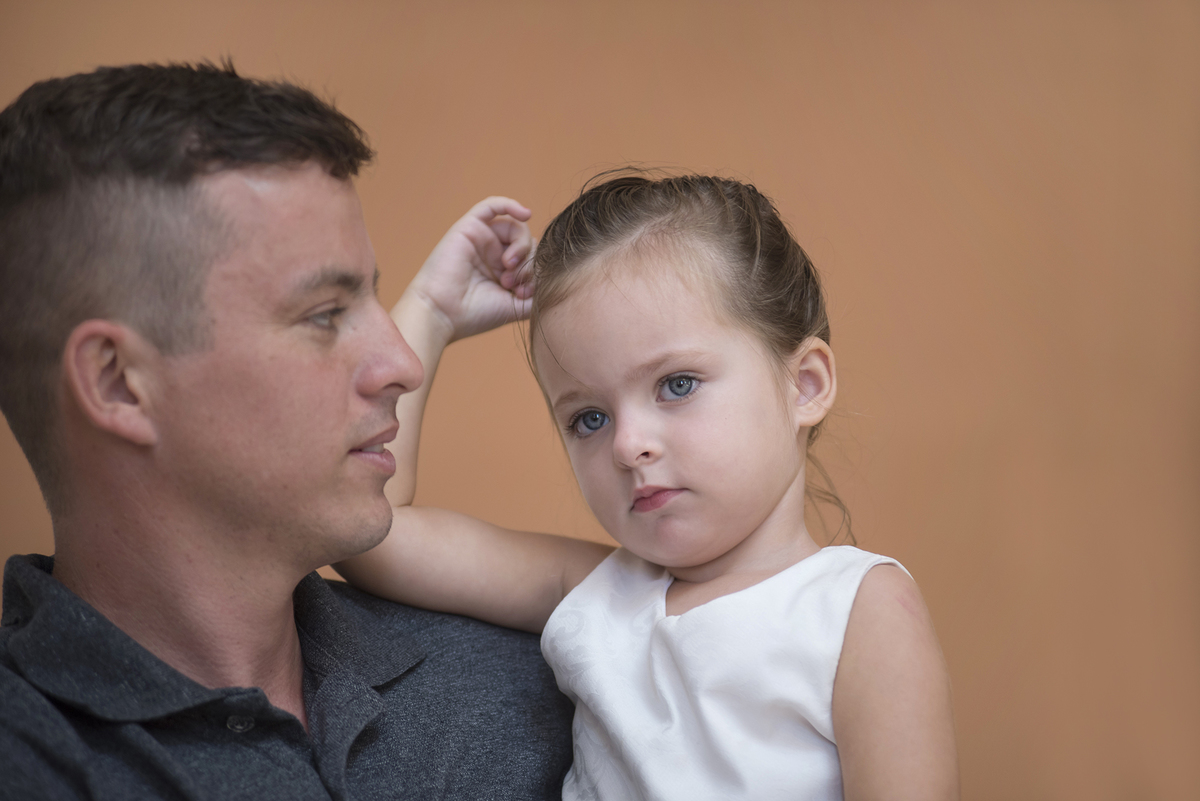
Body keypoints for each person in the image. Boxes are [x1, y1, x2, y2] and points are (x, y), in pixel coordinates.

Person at [0, 62, 574, 799]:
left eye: (370, 298)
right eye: (324, 314)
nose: (402, 362)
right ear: (118, 381)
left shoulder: (548, 674)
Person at [337, 173, 961, 799]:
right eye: (589, 418)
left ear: (804, 385)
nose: (627, 444)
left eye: (677, 384)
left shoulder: (858, 611)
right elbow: (368, 532)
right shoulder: (591, 592)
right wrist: (431, 312)